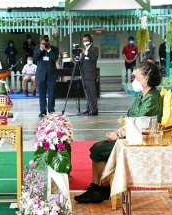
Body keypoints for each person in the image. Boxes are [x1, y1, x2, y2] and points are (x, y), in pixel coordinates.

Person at [74, 61, 163, 203]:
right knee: (96, 148)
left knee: (100, 151)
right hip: (132, 135)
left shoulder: (152, 98)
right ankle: (95, 188)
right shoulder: (142, 95)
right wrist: (116, 132)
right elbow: (130, 119)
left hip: (140, 139)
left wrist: (119, 135)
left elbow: (140, 124)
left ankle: (104, 190)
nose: (134, 80)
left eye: (137, 77)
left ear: (146, 79)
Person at [33, 35, 59, 117]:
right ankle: (43, 111)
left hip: (51, 75)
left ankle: (51, 110)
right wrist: (41, 49)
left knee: (51, 94)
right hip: (41, 75)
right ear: (40, 43)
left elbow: (55, 59)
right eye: (42, 43)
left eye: (46, 43)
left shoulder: (54, 49)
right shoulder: (37, 48)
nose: (44, 45)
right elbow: (35, 57)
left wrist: (49, 50)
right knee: (42, 94)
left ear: (49, 42)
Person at [78, 33, 99, 116]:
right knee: (87, 93)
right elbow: (83, 61)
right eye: (83, 40)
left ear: (90, 40)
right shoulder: (84, 49)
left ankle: (94, 109)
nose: (85, 42)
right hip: (84, 74)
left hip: (91, 74)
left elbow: (94, 58)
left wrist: (85, 52)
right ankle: (89, 108)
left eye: (86, 40)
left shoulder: (94, 49)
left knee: (92, 92)